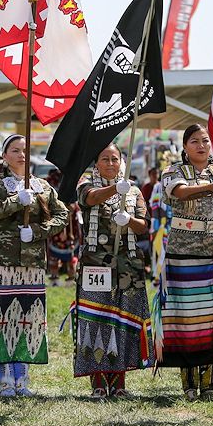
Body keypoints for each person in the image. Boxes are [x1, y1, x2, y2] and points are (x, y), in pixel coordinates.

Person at [0, 134, 68, 396]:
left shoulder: (42, 186)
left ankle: (22, 380)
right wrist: (16, 201)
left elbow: (63, 214)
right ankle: (4, 380)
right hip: (1, 261)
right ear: (4, 156)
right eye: (15, 150)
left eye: (25, 151)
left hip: (32, 262)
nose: (21, 155)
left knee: (28, 319)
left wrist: (38, 230)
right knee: (0, 318)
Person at [157, 124, 213, 400]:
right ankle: (189, 385)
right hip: (184, 256)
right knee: (187, 319)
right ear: (184, 147)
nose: (201, 145)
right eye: (194, 141)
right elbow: (179, 193)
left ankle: (208, 386)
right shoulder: (174, 171)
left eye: (205, 140)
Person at [73, 144, 151, 397]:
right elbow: (90, 198)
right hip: (96, 264)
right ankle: (97, 382)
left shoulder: (134, 191)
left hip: (128, 265)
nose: (109, 163)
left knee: (124, 320)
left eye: (114, 159)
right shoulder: (86, 183)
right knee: (96, 319)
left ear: (122, 162)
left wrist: (128, 220)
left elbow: (143, 227)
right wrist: (115, 189)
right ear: (96, 163)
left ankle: (119, 383)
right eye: (104, 158)